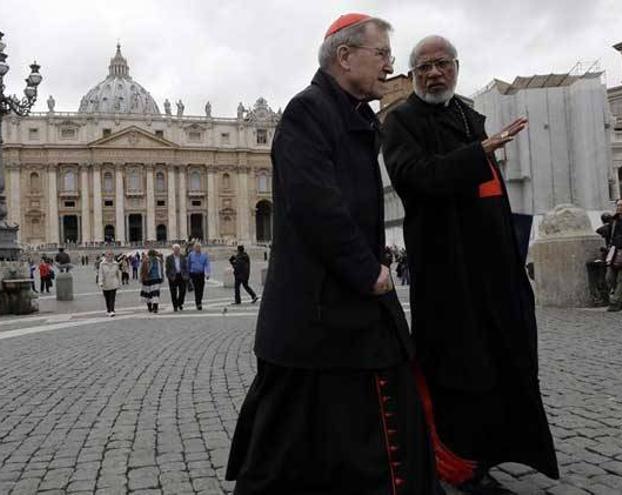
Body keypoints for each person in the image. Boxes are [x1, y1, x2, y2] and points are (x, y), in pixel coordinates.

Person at [226, 15, 442, 494]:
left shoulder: (348, 113)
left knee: (322, 434)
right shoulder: (308, 112)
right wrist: (368, 273)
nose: (390, 63)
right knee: (287, 445)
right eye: (381, 53)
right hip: (320, 310)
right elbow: (316, 205)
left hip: (335, 311)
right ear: (345, 58)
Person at [382, 34, 558, 491]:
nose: (434, 73)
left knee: (504, 356)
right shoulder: (401, 122)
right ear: (412, 74)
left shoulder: (468, 115)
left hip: (494, 267)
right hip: (447, 271)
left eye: (442, 64)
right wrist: (477, 153)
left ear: (456, 67)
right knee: (459, 365)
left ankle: (498, 447)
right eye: (423, 67)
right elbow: (413, 177)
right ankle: (458, 461)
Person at [165, 243, 189, 312]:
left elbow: (186, 267)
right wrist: (169, 276)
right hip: (173, 276)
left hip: (182, 276)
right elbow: (167, 268)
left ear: (179, 250)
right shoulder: (169, 258)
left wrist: (187, 275)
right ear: (173, 250)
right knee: (173, 292)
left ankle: (180, 303)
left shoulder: (183, 257)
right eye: (175, 249)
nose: (176, 251)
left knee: (183, 291)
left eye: (178, 249)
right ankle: (175, 306)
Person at [187, 242, 211, 310]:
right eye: (196, 247)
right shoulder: (191, 255)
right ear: (194, 248)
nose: (198, 248)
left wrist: (208, 273)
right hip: (193, 274)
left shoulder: (204, 255)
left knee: (201, 289)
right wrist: (187, 274)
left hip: (201, 274)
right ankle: (198, 303)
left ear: (201, 248)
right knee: (197, 288)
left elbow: (207, 265)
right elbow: (188, 264)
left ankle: (199, 300)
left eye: (199, 247)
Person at [97, 251, 122, 316]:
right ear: (105, 256)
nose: (110, 257)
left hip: (114, 282)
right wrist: (100, 282)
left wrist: (119, 282)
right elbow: (100, 273)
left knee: (112, 297)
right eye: (108, 255)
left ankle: (112, 310)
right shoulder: (102, 264)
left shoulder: (116, 264)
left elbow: (118, 274)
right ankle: (108, 310)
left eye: (111, 255)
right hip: (105, 283)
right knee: (107, 298)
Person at [139, 249, 164, 314]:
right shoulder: (157, 260)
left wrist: (141, 278)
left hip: (149, 279)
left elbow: (141, 270)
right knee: (155, 294)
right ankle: (155, 308)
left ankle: (151, 307)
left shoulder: (146, 260)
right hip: (155, 278)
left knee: (149, 294)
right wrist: (162, 277)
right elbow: (161, 269)